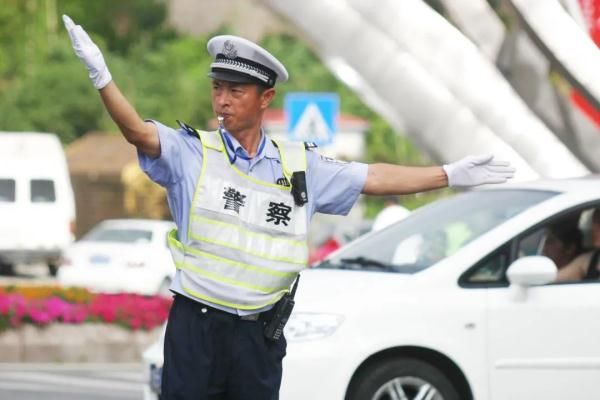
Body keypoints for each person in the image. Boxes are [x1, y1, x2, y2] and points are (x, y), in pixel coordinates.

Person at [62, 15, 515, 400]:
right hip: (198, 325)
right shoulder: (191, 152)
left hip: (258, 334)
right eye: (218, 88)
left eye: (236, 91)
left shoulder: (300, 165)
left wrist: (449, 174)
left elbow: (372, 177)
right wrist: (102, 77)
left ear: (265, 98)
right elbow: (140, 133)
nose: (222, 100)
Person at [557, 207, 600, 281]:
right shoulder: (589, 260)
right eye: (593, 222)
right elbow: (555, 280)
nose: (594, 228)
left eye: (599, 222)